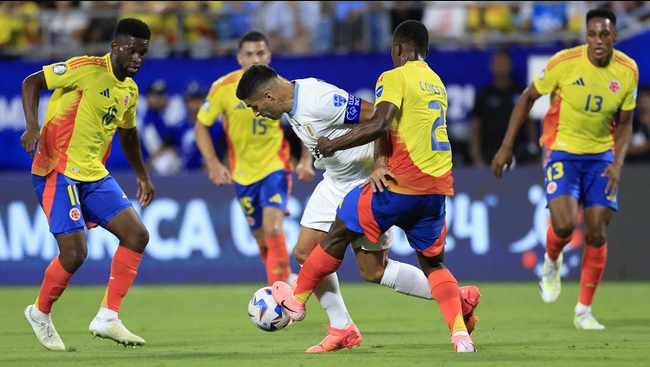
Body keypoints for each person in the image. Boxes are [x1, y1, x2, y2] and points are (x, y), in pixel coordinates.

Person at [245, 20, 478, 353]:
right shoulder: (290, 104)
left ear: (268, 96)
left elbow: (377, 117)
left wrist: (381, 163)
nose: (256, 113)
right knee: (304, 251)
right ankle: (342, 328)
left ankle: (459, 298)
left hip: (363, 177)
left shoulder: (320, 98)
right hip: (334, 179)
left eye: (255, 106)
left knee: (373, 270)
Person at [491, 8, 638, 330]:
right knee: (564, 225)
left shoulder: (628, 71)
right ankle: (551, 259)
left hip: (602, 156)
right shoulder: (564, 63)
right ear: (585, 36)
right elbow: (528, 98)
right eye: (592, 34)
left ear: (614, 36)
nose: (598, 41)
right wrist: (506, 146)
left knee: (598, 230)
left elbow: (625, 123)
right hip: (562, 152)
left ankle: (583, 310)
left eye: (604, 35)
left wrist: (617, 163)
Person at [19, 18, 155, 351]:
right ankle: (40, 312)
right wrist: (32, 126)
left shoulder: (130, 90)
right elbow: (31, 82)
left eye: (142, 52)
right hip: (57, 169)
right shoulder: (86, 68)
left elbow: (129, 134)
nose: (137, 58)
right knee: (76, 253)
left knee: (137, 235)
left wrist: (142, 174)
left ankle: (108, 317)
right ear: (115, 46)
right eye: (131, 50)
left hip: (93, 174)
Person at [195, 31, 315, 287]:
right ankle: (285, 279)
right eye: (249, 54)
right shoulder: (222, 88)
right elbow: (200, 126)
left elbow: (303, 122)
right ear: (239, 57)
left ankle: (279, 296)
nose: (255, 58)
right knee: (263, 240)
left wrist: (306, 160)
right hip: (242, 175)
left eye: (260, 53)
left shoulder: (281, 86)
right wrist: (214, 163)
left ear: (269, 55)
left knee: (273, 230)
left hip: (275, 167)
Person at [470, 48, 539, 167]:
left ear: (510, 65)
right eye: (497, 63)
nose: (500, 66)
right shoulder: (483, 95)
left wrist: (532, 149)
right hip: (489, 154)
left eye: (503, 63)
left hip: (518, 154)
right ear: (492, 66)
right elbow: (476, 127)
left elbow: (530, 123)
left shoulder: (521, 93)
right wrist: (476, 156)